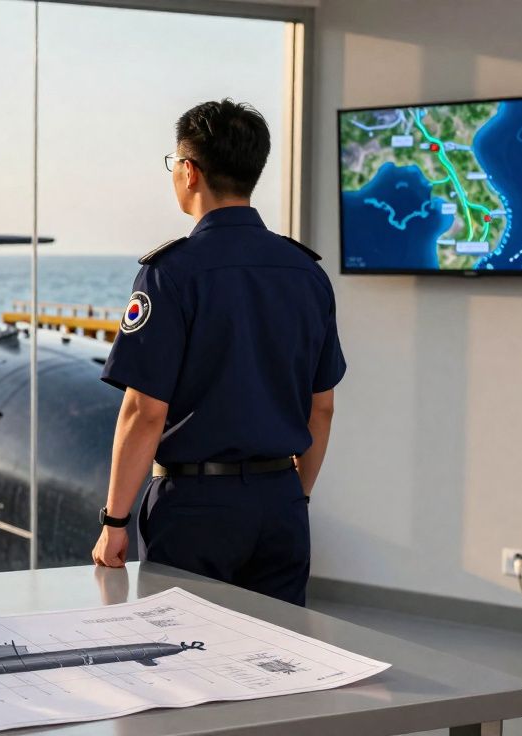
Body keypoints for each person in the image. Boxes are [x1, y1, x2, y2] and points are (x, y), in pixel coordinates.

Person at [90, 99, 345, 607]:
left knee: (185, 665)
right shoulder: (306, 272)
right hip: (282, 504)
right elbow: (323, 406)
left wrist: (114, 521)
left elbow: (144, 412)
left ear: (188, 171)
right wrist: (297, 495)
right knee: (278, 663)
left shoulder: (170, 273)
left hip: (195, 510)